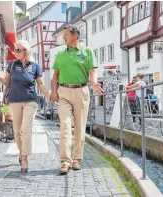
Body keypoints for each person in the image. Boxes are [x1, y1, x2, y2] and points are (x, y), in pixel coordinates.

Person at [50, 25, 103, 175]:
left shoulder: (87, 52)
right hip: (64, 92)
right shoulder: (61, 54)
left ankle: (77, 160)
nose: (64, 37)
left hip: (81, 90)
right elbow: (55, 75)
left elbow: (92, 70)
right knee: (65, 127)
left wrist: (93, 83)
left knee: (79, 127)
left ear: (75, 35)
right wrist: (54, 91)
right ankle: (65, 161)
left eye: (66, 34)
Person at [0, 40, 49, 173]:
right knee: (17, 132)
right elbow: (7, 82)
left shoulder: (35, 66)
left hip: (30, 100)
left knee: (26, 129)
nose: (15, 53)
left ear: (26, 51)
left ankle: (24, 158)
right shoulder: (12, 65)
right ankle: (21, 151)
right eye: (15, 50)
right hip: (15, 101)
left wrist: (48, 95)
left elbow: (40, 84)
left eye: (18, 50)